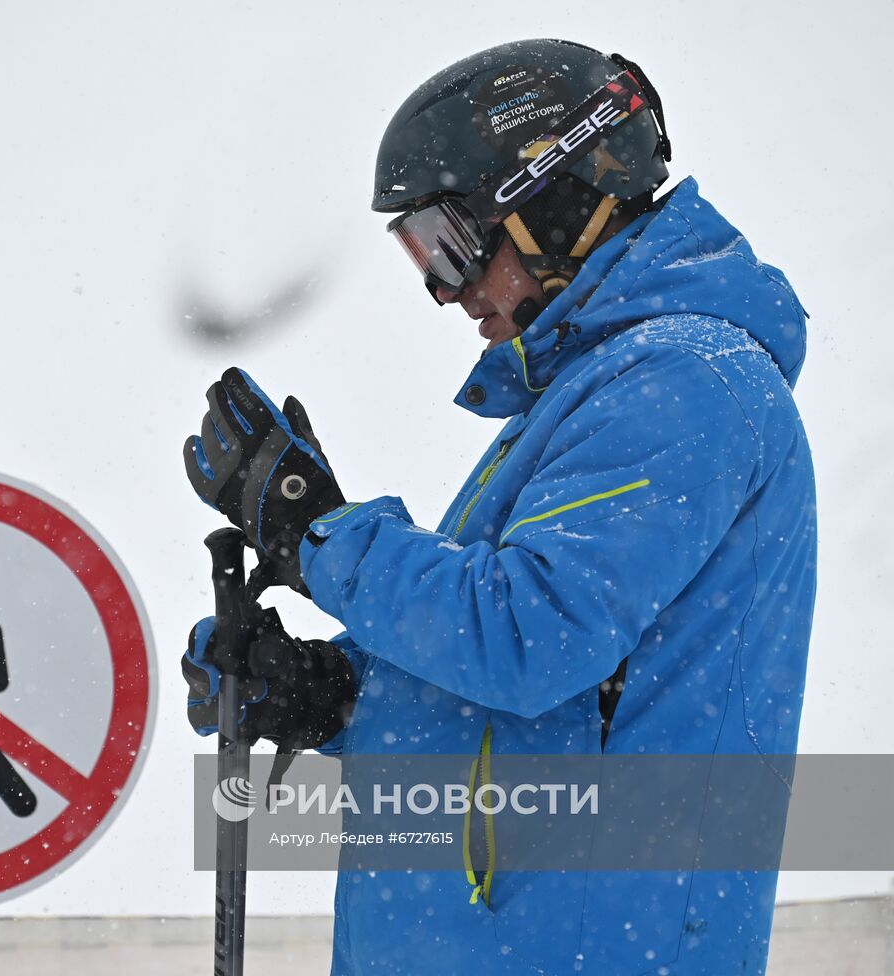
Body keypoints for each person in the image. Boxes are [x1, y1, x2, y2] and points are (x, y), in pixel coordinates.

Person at [181, 38, 816, 975]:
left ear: (551, 201)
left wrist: (317, 533)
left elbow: (527, 638)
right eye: (420, 257)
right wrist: (337, 694)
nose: (445, 291)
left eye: (449, 243)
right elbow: (522, 704)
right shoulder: (599, 395)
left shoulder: (682, 384)